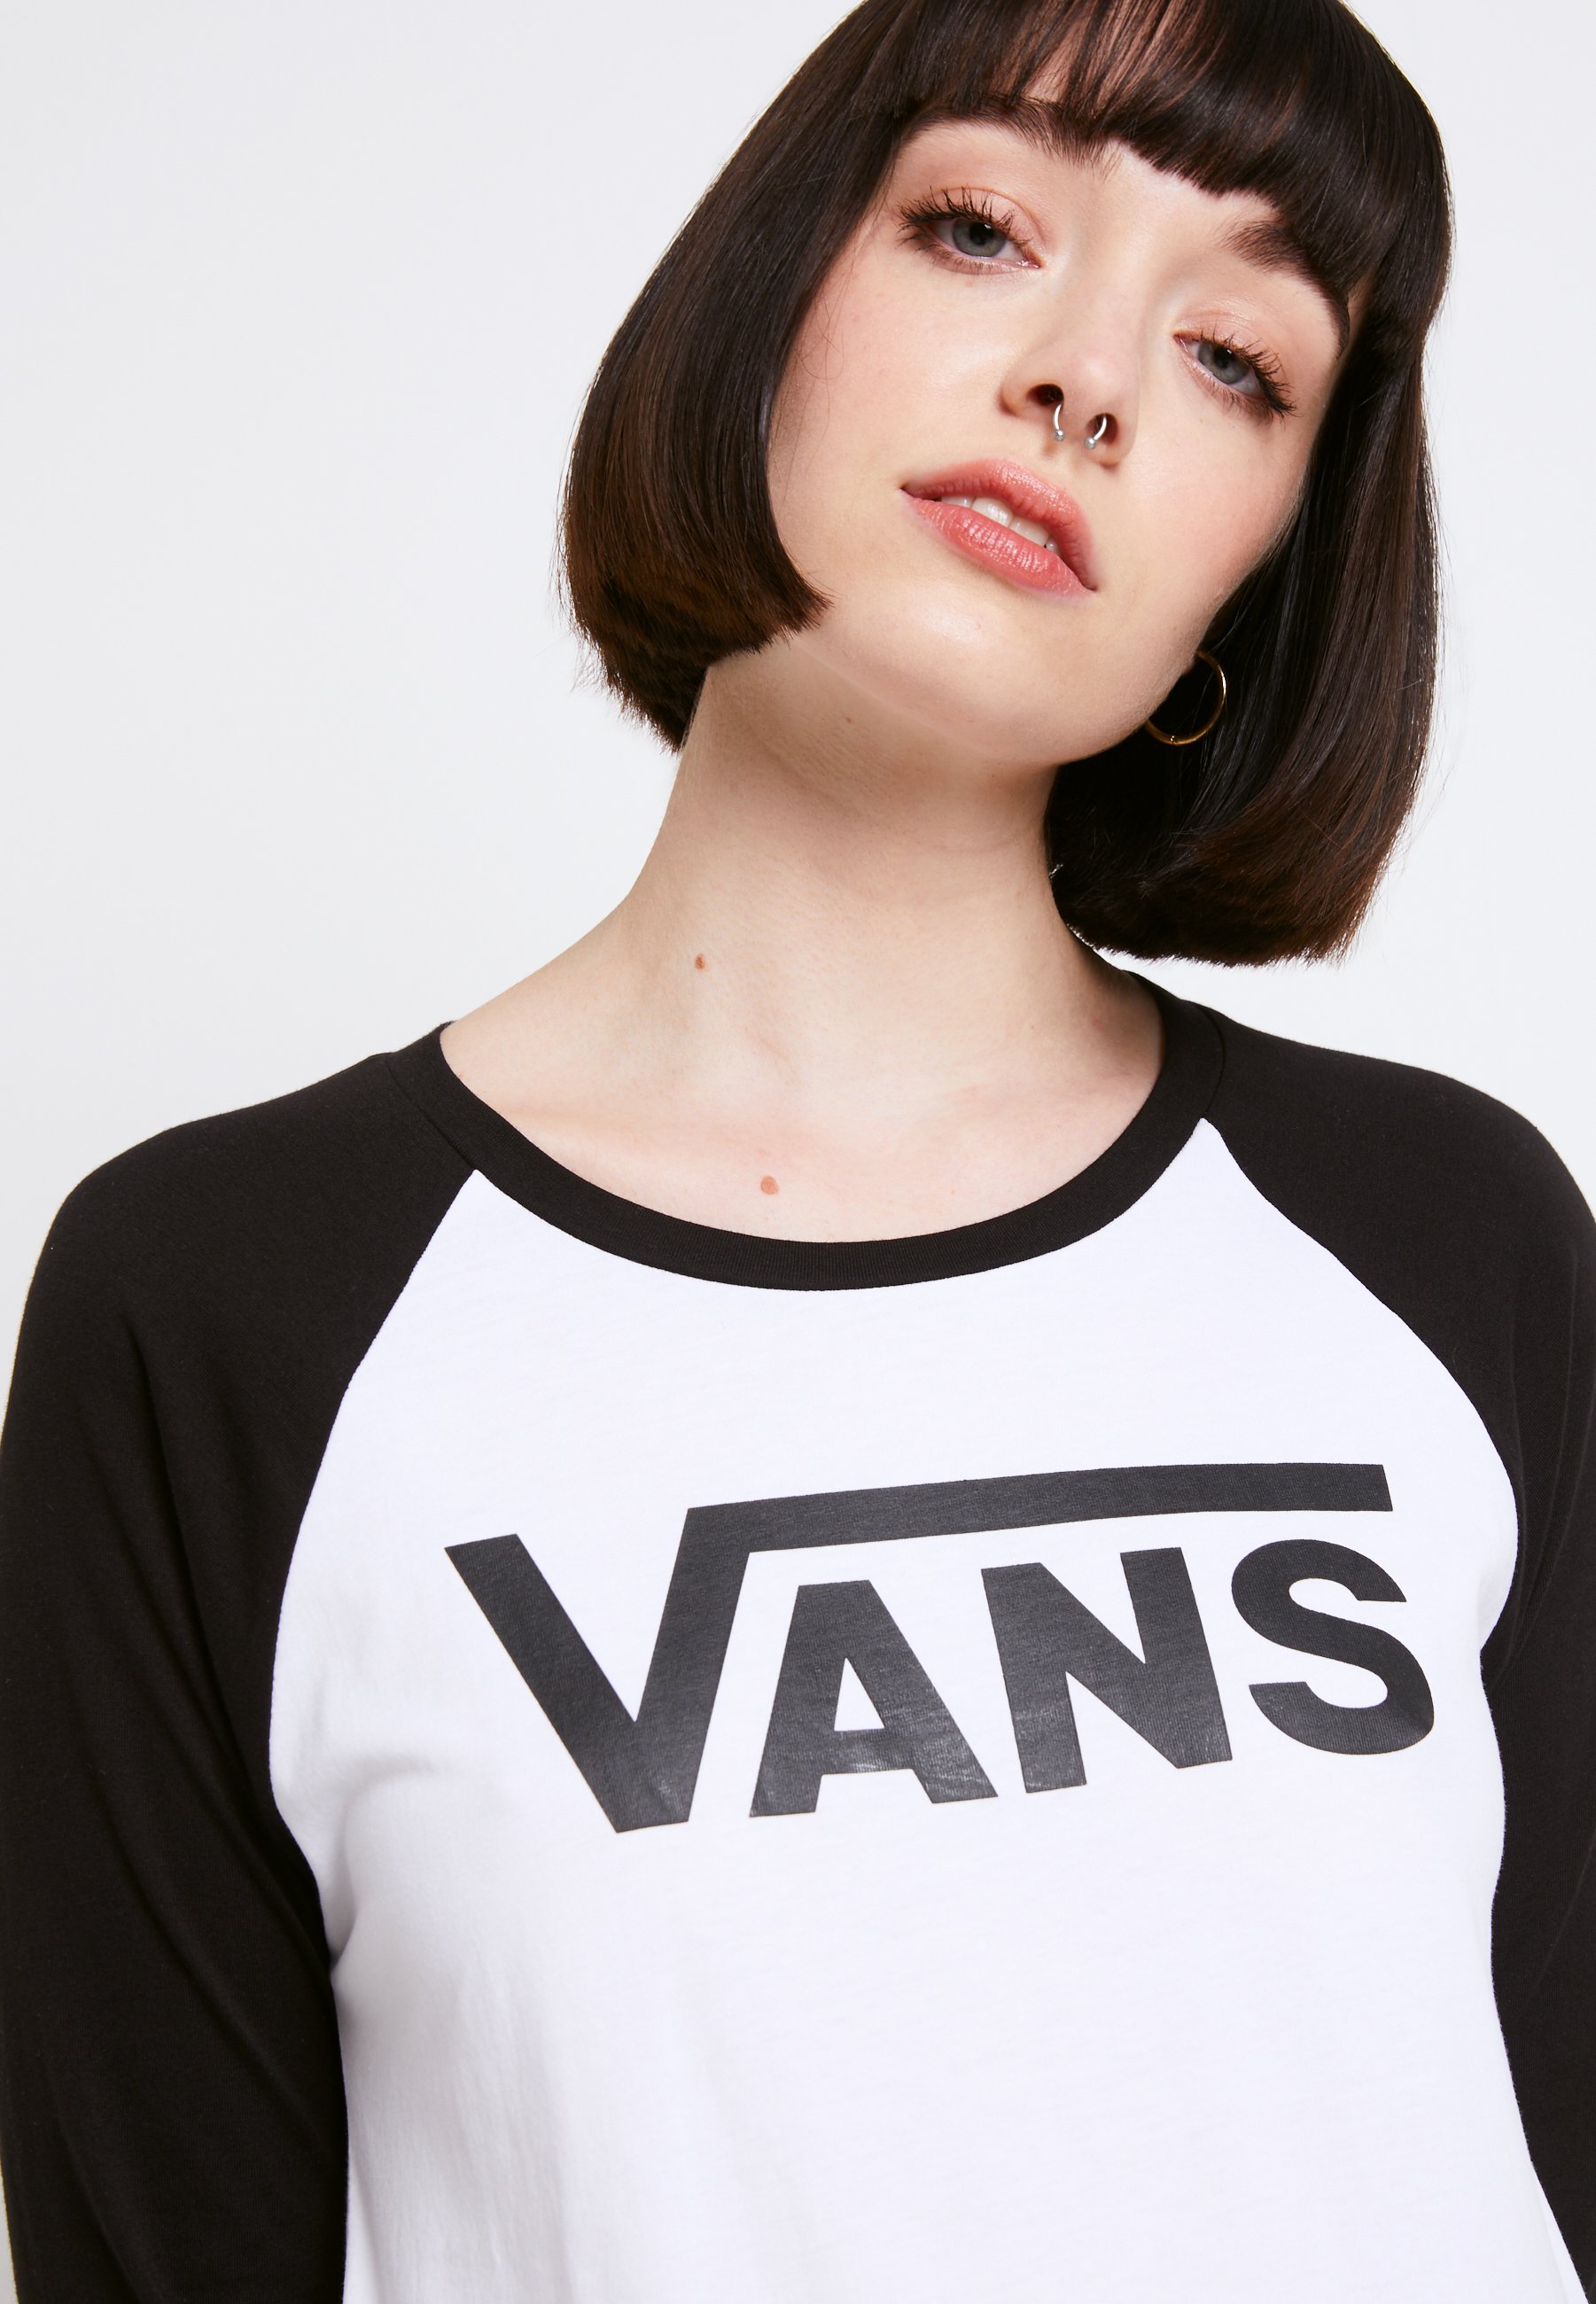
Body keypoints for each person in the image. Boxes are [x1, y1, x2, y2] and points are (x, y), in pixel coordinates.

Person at [0, 0, 1591, 2296]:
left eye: (1235, 359)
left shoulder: (1448, 1240)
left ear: (1262, 572)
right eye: (979, 227)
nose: (1085, 380)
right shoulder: (226, 1303)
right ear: (766, 297)